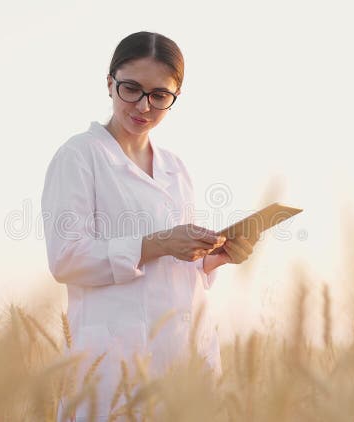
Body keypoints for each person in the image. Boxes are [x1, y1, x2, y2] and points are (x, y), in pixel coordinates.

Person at [41, 31, 255, 421]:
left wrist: (213, 259)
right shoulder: (78, 156)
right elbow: (66, 259)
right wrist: (158, 243)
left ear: (175, 98)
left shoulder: (177, 167)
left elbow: (176, 270)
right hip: (114, 366)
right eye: (131, 89)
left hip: (184, 359)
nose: (144, 105)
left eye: (160, 95)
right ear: (109, 83)